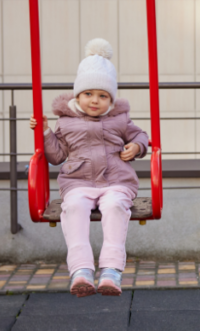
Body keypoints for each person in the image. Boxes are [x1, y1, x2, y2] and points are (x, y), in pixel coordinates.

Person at [29, 38, 149, 297]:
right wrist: (46, 131)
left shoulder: (120, 119)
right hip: (78, 181)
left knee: (116, 207)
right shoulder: (66, 122)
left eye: (103, 96)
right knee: (73, 208)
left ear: (111, 99)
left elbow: (141, 135)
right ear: (77, 95)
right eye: (88, 94)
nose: (95, 101)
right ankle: (81, 270)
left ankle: (111, 272)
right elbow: (57, 156)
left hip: (116, 181)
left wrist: (137, 147)